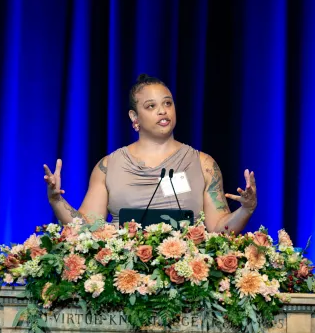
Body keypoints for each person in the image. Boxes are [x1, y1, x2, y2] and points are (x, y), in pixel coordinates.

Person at [43, 74, 257, 234]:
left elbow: (219, 230)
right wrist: (56, 202)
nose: (163, 111)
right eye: (151, 106)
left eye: (167, 103)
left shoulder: (203, 164)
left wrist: (246, 209)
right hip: (125, 283)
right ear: (134, 117)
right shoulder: (108, 166)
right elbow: (87, 230)